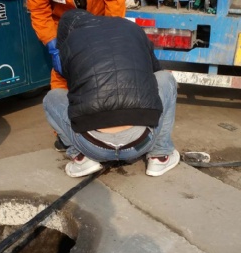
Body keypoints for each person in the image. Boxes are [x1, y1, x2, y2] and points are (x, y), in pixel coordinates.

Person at [43, 9, 180, 177]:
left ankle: (80, 158)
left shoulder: (70, 41)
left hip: (92, 146)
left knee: (51, 98)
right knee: (166, 78)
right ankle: (160, 155)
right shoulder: (132, 28)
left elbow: (73, 88)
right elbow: (154, 71)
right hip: (141, 142)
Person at [27, 0, 126, 149]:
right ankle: (66, 134)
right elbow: (39, 11)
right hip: (64, 29)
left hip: (98, 23)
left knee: (104, 79)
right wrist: (53, 43)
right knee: (61, 81)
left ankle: (109, 131)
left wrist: (108, 34)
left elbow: (115, 4)